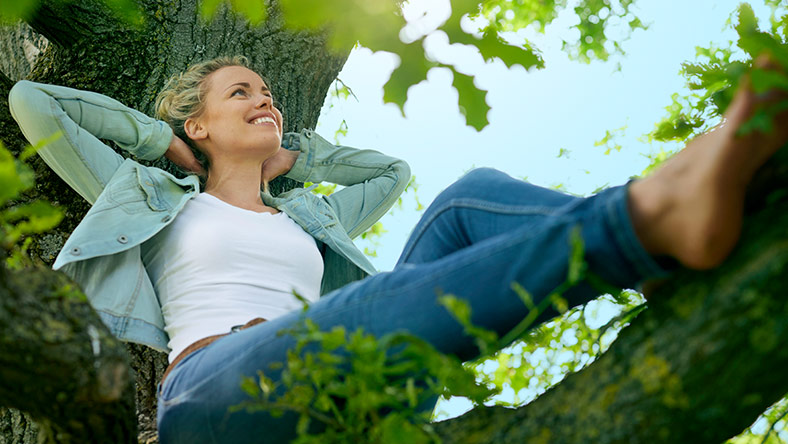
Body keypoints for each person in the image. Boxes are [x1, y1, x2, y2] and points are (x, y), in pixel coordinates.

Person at [7, 55, 787, 443]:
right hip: (216, 397)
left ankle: (656, 241)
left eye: (270, 92)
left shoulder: (309, 217)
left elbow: (394, 172)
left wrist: (296, 156)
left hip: (363, 386)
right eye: (240, 92)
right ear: (198, 125)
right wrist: (167, 147)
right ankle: (653, 218)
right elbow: (31, 102)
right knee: (358, 303)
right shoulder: (152, 198)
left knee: (463, 199)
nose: (265, 99)